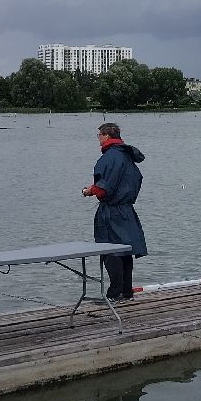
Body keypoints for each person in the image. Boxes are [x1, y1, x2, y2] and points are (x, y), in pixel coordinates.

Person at [82, 122, 147, 302]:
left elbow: (104, 189)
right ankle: (127, 292)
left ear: (106, 136)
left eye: (99, 135)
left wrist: (89, 191)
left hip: (111, 211)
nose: (98, 139)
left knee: (111, 252)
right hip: (127, 209)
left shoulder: (109, 158)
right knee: (125, 251)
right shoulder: (127, 155)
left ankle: (114, 294)